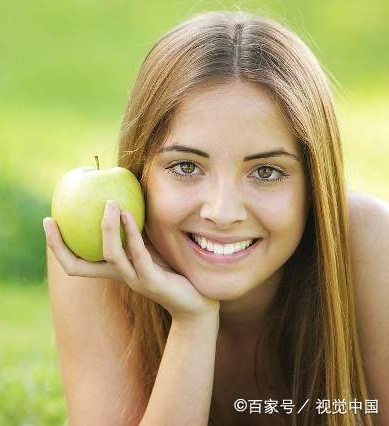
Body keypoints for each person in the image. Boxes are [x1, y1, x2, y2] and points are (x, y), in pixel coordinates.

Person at [41, 10, 389, 426]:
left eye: (266, 172)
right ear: (140, 170)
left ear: (314, 183)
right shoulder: (103, 250)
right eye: (186, 167)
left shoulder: (370, 243)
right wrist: (193, 323)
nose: (222, 213)